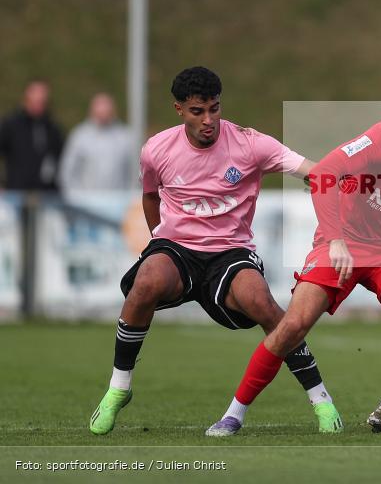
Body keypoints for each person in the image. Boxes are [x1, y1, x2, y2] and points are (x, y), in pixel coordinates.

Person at [206, 79, 381, 436]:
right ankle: (234, 413)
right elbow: (325, 174)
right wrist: (336, 240)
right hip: (343, 241)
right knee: (293, 326)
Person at [89, 66, 343, 436]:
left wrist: (345, 177)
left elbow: (312, 170)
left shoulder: (251, 144)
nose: (208, 120)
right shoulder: (157, 149)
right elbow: (150, 196)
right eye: (197, 111)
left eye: (214, 109)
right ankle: (118, 388)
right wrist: (157, 242)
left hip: (230, 252)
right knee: (146, 281)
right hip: (177, 247)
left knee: (263, 304)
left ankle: (320, 398)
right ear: (179, 109)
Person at [59, 93, 134, 193]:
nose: (103, 117)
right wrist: (77, 195)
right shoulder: (80, 136)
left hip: (118, 199)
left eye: (106, 112)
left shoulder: (125, 136)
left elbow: (134, 170)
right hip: (86, 199)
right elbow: (68, 170)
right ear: (92, 112)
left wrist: (129, 195)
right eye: (99, 113)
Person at [0, 80, 64, 191]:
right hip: (16, 191)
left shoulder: (52, 128)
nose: (38, 105)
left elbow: (62, 159)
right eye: (35, 101)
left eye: (42, 101)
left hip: (46, 193)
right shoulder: (11, 125)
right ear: (26, 99)